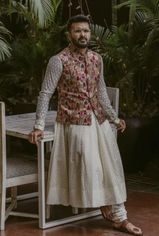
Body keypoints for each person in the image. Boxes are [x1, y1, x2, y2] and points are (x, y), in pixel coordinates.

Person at [28, 15, 143, 235]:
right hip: (75, 122)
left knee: (111, 169)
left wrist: (113, 118)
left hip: (98, 121)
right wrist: (39, 125)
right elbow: (45, 93)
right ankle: (106, 207)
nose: (83, 35)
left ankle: (120, 217)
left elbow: (100, 92)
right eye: (78, 31)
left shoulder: (96, 58)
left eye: (86, 31)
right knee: (94, 168)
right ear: (68, 34)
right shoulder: (58, 60)